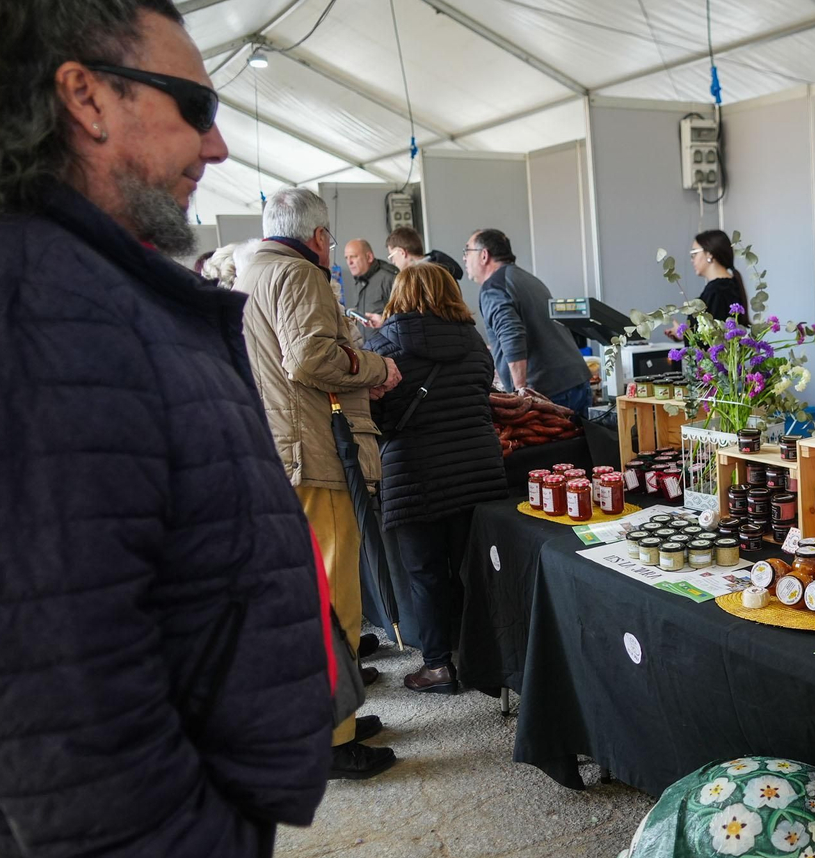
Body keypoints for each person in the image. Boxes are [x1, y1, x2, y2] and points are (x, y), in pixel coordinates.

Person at [0, 0, 333, 858]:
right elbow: (34, 658)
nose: (216, 141)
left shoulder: (78, 283)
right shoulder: (27, 307)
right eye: (193, 103)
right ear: (82, 94)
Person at [236, 186, 401, 781]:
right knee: (333, 595)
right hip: (313, 452)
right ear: (319, 236)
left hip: (280, 449)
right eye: (330, 238)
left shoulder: (251, 273)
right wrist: (377, 367)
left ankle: (338, 716)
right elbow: (308, 359)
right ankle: (333, 738)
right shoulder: (300, 276)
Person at [364, 263, 509, 694]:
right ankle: (483, 658)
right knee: (472, 570)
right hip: (478, 470)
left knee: (425, 572)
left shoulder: (383, 346)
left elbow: (376, 418)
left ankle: (438, 667)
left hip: (414, 474)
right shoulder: (475, 342)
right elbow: (485, 396)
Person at [464, 227, 593, 415]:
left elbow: (512, 335)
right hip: (576, 380)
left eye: (467, 251)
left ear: (484, 255)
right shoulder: (526, 278)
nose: (464, 259)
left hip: (547, 392)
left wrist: (520, 393)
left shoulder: (493, 287)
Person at [690, 228, 747, 321]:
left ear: (709, 254)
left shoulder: (717, 291)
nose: (692, 260)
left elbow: (713, 334)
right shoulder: (730, 285)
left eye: (694, 254)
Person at [385, 225, 463, 280]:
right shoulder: (442, 270)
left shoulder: (427, 277)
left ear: (402, 252)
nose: (392, 262)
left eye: (392, 256)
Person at [344, 237, 396, 316]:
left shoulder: (389, 278)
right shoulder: (359, 280)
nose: (349, 262)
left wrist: (382, 321)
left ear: (369, 257)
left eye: (353, 256)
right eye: (346, 258)